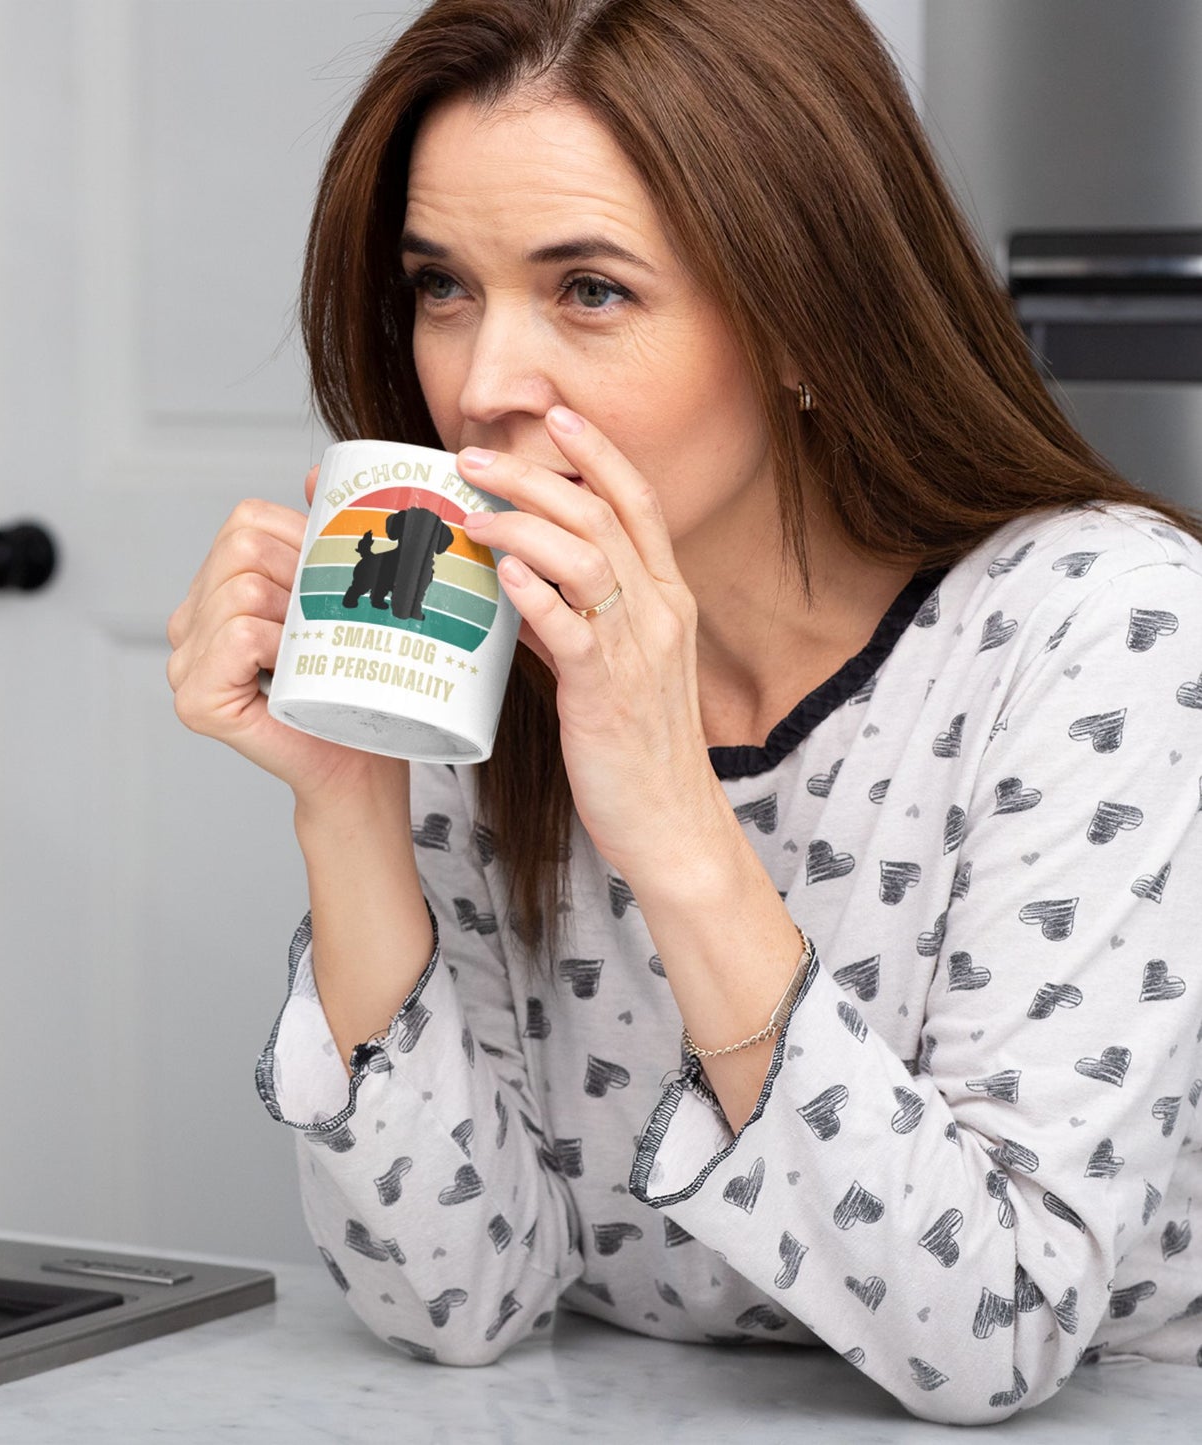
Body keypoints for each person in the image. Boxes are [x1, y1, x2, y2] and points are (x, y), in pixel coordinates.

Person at [165, 0, 1202, 1423]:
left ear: (804, 321)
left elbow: (996, 1333)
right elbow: (453, 1298)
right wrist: (348, 797)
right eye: (443, 286)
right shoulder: (502, 640)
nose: (477, 387)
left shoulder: (1099, 623)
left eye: (588, 289)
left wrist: (673, 824)